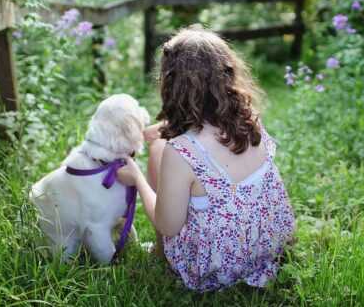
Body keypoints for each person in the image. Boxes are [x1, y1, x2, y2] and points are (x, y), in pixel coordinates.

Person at [116, 26, 295, 291]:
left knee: (157, 150)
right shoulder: (249, 121)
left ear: (172, 84)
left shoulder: (180, 152)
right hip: (268, 247)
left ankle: (161, 252)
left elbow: (168, 226)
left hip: (216, 267)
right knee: (164, 147)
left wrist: (138, 179)